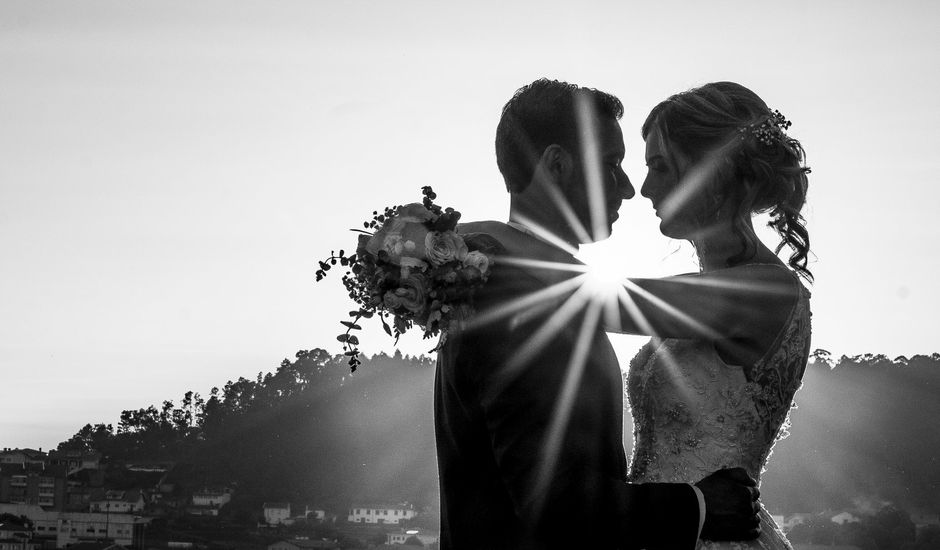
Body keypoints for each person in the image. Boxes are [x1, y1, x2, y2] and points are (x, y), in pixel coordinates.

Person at [434, 78, 763, 550]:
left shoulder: (486, 285)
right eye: (612, 165)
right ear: (558, 165)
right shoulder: (517, 303)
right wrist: (700, 506)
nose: (629, 189)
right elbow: (554, 505)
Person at [609, 82, 812, 549]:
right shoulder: (708, 292)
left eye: (660, 167)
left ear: (712, 170)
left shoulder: (766, 290)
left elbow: (608, 304)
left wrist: (471, 255)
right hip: (668, 529)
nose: (644, 188)